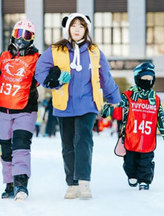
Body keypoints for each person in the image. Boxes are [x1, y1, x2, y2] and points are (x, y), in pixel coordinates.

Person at [35, 13, 121, 199]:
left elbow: (105, 76)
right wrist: (55, 81)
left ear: (86, 29)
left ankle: (83, 182)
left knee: (83, 139)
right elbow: (40, 70)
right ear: (67, 28)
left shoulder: (94, 51)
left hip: (88, 103)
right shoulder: (55, 50)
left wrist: (115, 98)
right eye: (74, 25)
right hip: (64, 104)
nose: (77, 29)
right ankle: (72, 184)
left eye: (81, 26)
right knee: (67, 144)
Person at [102, 62, 164, 190]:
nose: (147, 82)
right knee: (130, 162)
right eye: (144, 79)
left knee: (146, 161)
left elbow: (160, 115)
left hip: (147, 138)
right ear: (137, 79)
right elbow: (116, 103)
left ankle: (145, 180)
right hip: (131, 136)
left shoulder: (154, 99)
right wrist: (107, 109)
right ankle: (132, 175)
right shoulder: (129, 96)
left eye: (150, 79)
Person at [0, 19, 39, 200]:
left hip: (25, 109)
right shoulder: (4, 57)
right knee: (6, 149)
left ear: (32, 39)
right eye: (19, 34)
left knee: (21, 146)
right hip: (3, 110)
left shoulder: (36, 59)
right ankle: (9, 184)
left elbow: (44, 77)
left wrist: (54, 75)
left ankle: (21, 184)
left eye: (27, 35)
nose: (22, 39)